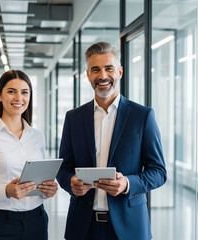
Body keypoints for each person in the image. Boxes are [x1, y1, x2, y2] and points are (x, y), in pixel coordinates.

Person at [56, 42, 167, 240]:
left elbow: (159, 172)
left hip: (129, 227)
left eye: (109, 68)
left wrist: (127, 183)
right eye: (95, 70)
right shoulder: (73, 118)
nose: (103, 76)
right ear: (88, 75)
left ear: (120, 72)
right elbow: (64, 168)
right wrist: (70, 183)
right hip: (83, 227)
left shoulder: (142, 116)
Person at [0, 70, 58, 240]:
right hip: (0, 224)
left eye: (24, 92)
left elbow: (40, 180)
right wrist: (5, 191)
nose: (19, 98)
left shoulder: (37, 136)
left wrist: (47, 190)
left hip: (37, 220)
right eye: (11, 91)